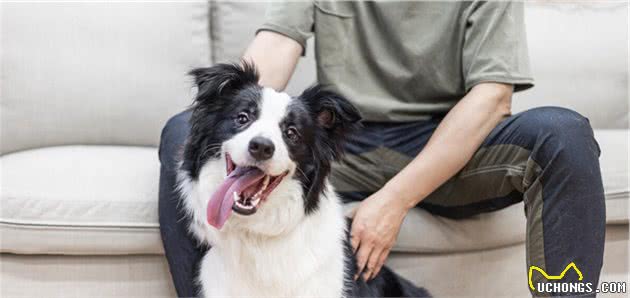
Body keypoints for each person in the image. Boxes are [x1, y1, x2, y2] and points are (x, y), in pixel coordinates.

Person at [158, 2, 605, 297]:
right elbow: (273, 50)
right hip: (345, 145)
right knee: (185, 131)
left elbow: (492, 98)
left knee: (561, 133)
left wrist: (394, 200)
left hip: (447, 144)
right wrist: (235, 118)